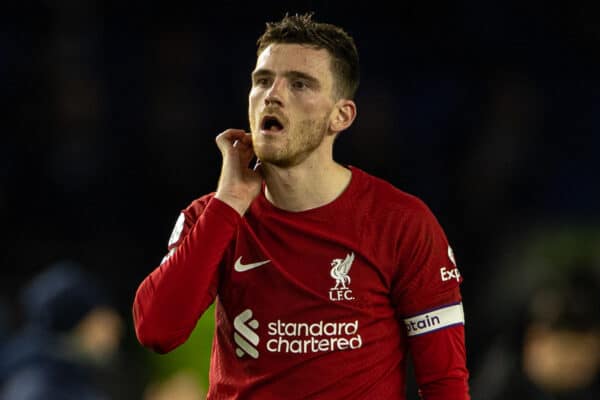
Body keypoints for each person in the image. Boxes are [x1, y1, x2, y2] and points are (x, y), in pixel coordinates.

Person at [133, 13, 470, 399]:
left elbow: (444, 384)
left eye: (299, 84)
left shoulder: (403, 224)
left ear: (340, 116)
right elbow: (157, 330)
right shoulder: (213, 216)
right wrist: (229, 203)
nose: (272, 95)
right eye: (262, 81)